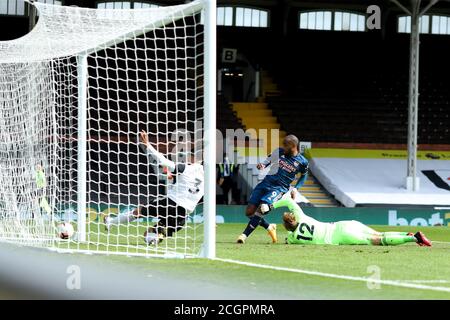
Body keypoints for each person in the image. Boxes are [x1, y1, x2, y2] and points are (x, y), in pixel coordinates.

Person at [104, 130, 204, 245]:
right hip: (183, 216)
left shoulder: (186, 168)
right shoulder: (206, 178)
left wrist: (148, 145)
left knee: (139, 211)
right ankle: (154, 238)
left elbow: (163, 161)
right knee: (159, 230)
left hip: (170, 204)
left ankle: (111, 222)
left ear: (192, 157)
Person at [261, 197, 432, 246]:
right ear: (294, 217)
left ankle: (414, 238)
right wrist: (271, 206)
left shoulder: (293, 239)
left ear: (287, 227)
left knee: (377, 241)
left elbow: (286, 240)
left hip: (341, 237)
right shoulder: (303, 216)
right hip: (343, 225)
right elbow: (289, 202)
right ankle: (406, 235)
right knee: (379, 234)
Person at [236, 134, 309, 244]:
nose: (283, 148)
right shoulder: (279, 151)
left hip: (279, 188)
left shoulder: (302, 162)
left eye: (286, 146)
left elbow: (304, 175)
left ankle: (244, 235)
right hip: (265, 183)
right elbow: (268, 161)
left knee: (263, 208)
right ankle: (269, 227)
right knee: (249, 212)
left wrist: (295, 188)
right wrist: (263, 165)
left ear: (294, 146)